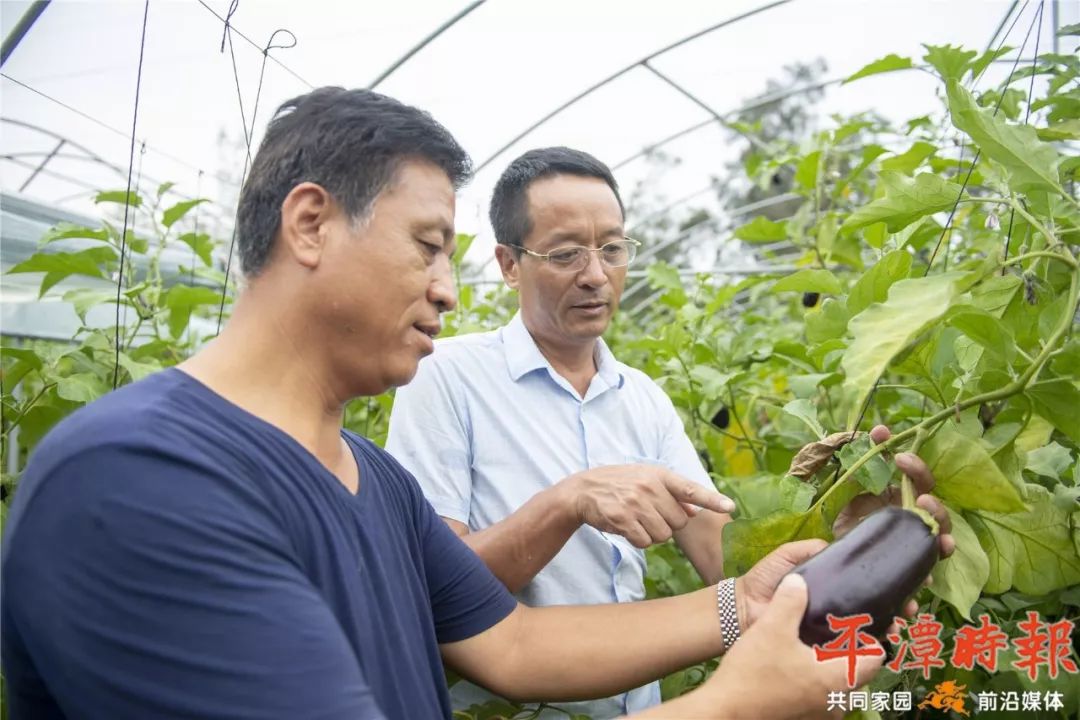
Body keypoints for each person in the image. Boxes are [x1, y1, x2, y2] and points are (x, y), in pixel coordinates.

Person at [2, 87, 886, 720]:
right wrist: (731, 709)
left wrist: (747, 602)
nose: (448, 293)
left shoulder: (372, 480)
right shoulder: (139, 476)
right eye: (428, 247)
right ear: (309, 224)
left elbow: (514, 647)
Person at [386, 146, 955, 718]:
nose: (595, 275)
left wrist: (861, 549)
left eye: (612, 249)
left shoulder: (643, 399)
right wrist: (567, 502)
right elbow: (436, 591)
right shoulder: (446, 378)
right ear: (509, 264)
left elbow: (728, 563)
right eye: (565, 254)